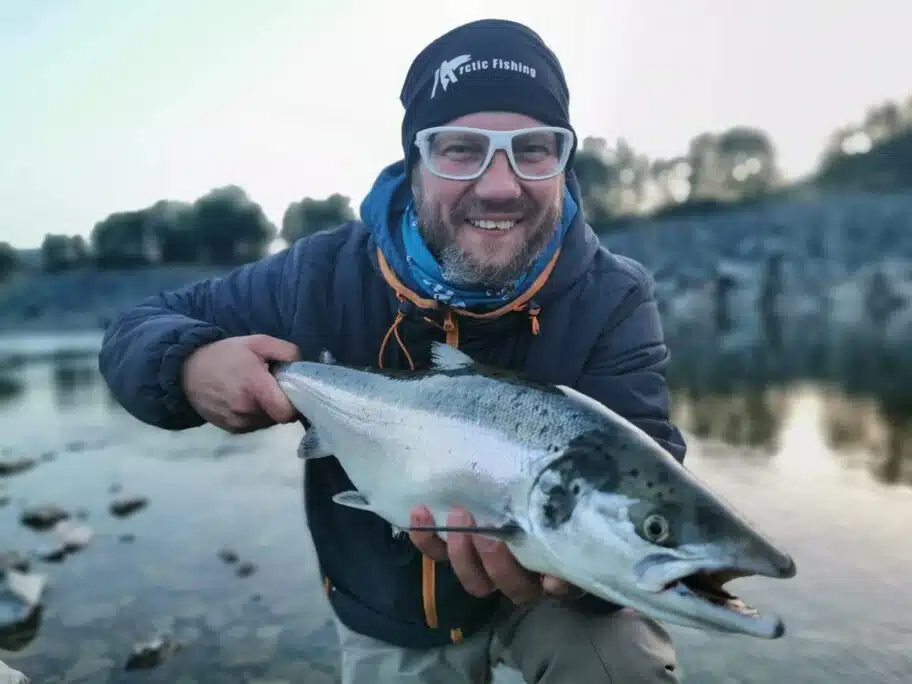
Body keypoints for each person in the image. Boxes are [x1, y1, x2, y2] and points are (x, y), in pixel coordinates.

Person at [98, 18, 687, 684]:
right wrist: (187, 363)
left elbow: (645, 469)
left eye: (534, 149)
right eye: (461, 150)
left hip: (561, 590)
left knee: (627, 666)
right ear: (414, 162)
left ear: (563, 161)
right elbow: (134, 328)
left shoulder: (612, 295)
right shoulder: (317, 275)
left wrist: (587, 578)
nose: (501, 185)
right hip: (386, 610)